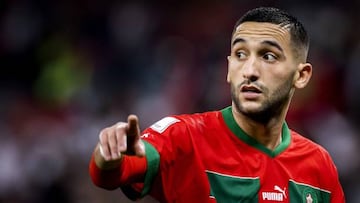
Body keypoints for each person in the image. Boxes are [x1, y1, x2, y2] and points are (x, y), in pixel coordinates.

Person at [89, 7, 345, 202]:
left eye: (268, 56)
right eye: (240, 54)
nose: (250, 70)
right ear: (228, 69)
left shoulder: (319, 166)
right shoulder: (183, 136)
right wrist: (109, 155)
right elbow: (113, 172)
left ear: (301, 76)